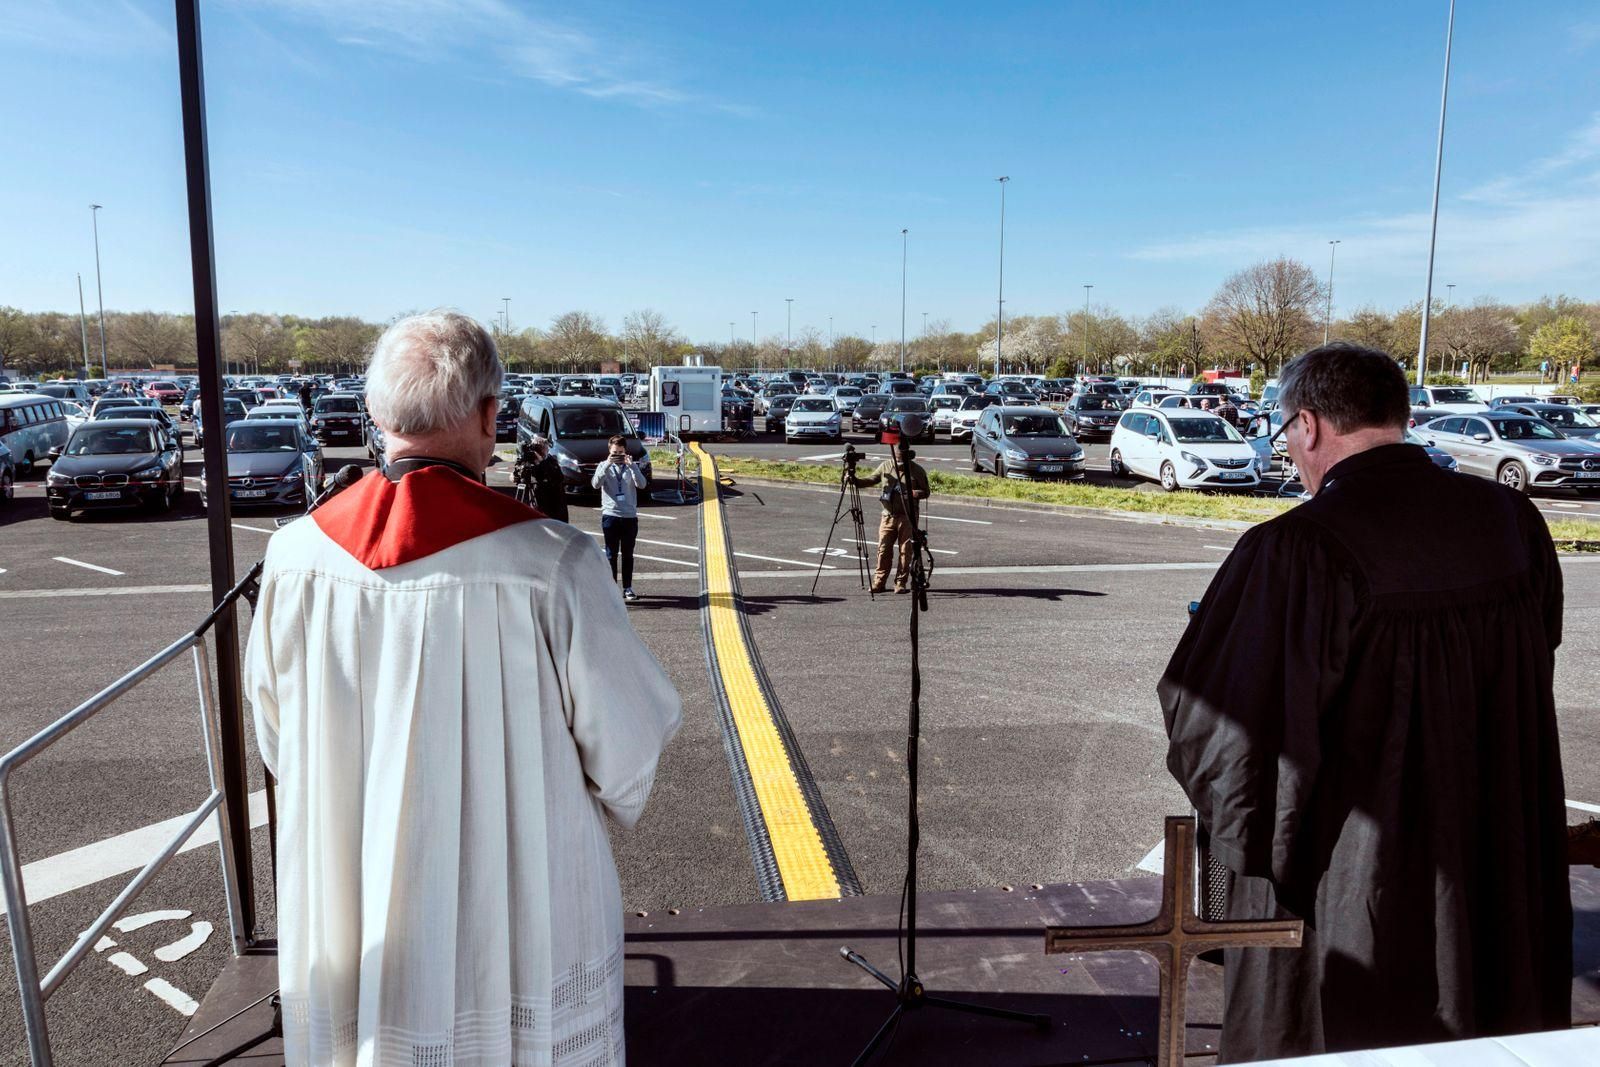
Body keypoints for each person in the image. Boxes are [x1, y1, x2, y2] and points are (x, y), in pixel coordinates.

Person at [245, 310, 681, 1067]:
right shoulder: (553, 563)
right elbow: (627, 744)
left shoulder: (293, 557)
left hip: (356, 877)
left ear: (379, 415)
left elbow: (278, 733)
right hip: (515, 898)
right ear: (488, 416)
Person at [1159, 342, 1569, 1062]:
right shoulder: (1513, 521)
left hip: (1353, 898)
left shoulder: (1296, 550)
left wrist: (1255, 849)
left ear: (1308, 426)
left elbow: (1227, 738)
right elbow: (1539, 654)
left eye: (1287, 434)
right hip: (1497, 867)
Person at [851, 446, 930, 594]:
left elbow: (926, 492)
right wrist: (855, 480)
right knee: (883, 549)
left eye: (901, 455)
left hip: (908, 517)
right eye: (896, 455)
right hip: (887, 515)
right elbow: (871, 479)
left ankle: (900, 583)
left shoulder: (917, 470)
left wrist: (913, 493)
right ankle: (879, 582)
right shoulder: (885, 466)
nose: (898, 458)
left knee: (905, 551)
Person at [593, 434, 647, 602]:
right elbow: (595, 484)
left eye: (621, 452)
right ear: (609, 451)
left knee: (628, 554)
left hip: (629, 516)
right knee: (611, 554)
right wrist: (607, 465)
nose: (618, 455)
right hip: (610, 516)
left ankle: (628, 587)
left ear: (626, 452)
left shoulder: (631, 467)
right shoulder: (603, 465)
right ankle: (611, 587)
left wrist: (633, 467)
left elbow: (642, 484)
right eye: (615, 452)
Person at [517, 432, 568, 522]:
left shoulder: (551, 461)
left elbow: (558, 478)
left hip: (552, 508)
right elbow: (516, 474)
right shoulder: (529, 460)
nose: (539, 447)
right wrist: (517, 475)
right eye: (536, 445)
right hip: (535, 504)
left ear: (547, 446)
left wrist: (540, 461)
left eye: (541, 445)